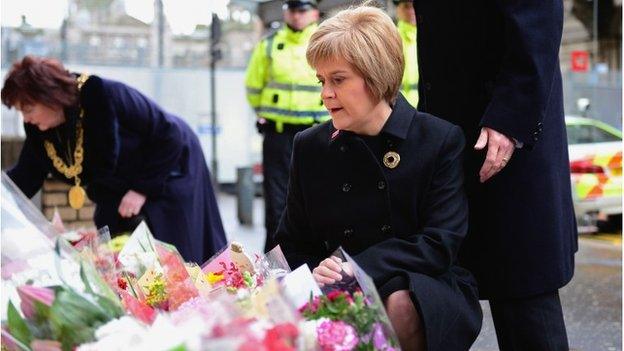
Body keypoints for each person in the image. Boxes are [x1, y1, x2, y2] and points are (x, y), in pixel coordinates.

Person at [275, 6, 482, 351]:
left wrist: (357, 266)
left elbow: (439, 243)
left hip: (423, 286)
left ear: (376, 75)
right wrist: (318, 271)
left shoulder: (438, 139)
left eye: (338, 80)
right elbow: (292, 242)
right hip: (336, 285)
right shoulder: (310, 145)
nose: (325, 94)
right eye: (321, 81)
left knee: (401, 303)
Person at [412, 1, 577, 350]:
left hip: (505, 141)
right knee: (433, 294)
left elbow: (538, 21)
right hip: (449, 140)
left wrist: (509, 119)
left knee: (523, 297)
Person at [1, 56, 227, 264]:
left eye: (29, 109)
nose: (27, 118)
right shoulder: (40, 129)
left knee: (178, 246)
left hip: (171, 161)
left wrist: (141, 189)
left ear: (50, 96)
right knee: (117, 252)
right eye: (22, 112)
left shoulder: (102, 95)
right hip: (120, 185)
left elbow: (169, 134)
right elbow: (25, 176)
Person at [245, 0, 329, 253]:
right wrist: (264, 112)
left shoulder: (326, 43)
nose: (297, 16)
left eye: (303, 10)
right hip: (278, 135)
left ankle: (317, 260)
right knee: (276, 203)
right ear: (286, 12)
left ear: (314, 12)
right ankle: (274, 263)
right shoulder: (269, 44)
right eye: (293, 10)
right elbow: (253, 86)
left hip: (318, 133)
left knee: (319, 199)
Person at [394, 0, 419, 107]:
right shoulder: (391, 39)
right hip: (398, 108)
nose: (412, 11)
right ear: (398, 9)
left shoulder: (431, 38)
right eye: (407, 7)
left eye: (414, 6)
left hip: (425, 107)